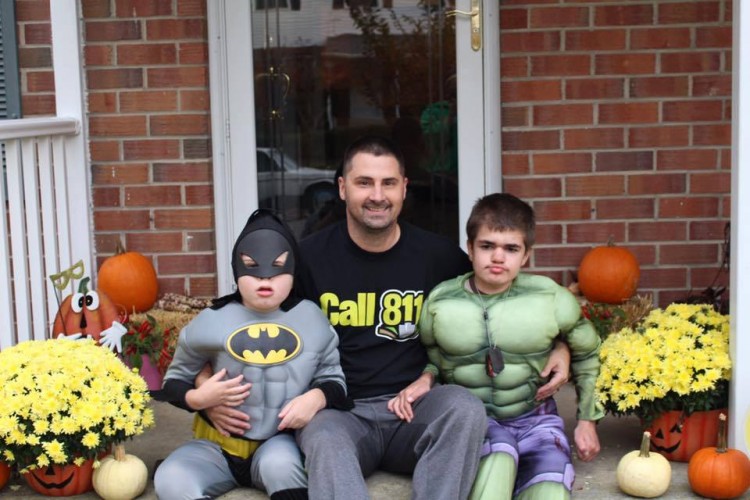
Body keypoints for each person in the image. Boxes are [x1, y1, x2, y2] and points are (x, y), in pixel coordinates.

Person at [206, 136, 571, 500]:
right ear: (343, 188)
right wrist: (207, 391)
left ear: (404, 189)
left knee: (464, 408)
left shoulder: (439, 257)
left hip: (415, 408)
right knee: (324, 438)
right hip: (339, 412)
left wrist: (560, 346)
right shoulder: (308, 259)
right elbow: (230, 321)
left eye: (388, 183)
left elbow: (505, 299)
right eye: (364, 182)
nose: (377, 195)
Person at [418, 193, 603, 500]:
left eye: (511, 248)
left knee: (551, 491)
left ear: (526, 255)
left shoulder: (550, 298)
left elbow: (588, 352)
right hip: (477, 424)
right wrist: (426, 377)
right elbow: (430, 360)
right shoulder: (440, 302)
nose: (498, 257)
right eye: (487, 246)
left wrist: (587, 421)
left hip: (535, 418)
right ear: (470, 249)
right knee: (497, 465)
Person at [154, 209, 347, 500]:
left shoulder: (312, 320)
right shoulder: (211, 320)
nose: (265, 279)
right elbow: (174, 380)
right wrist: (198, 400)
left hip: (279, 445)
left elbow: (336, 381)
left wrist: (317, 397)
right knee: (171, 478)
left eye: (278, 267)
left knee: (283, 469)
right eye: (252, 266)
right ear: (236, 269)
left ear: (293, 271)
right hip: (215, 446)